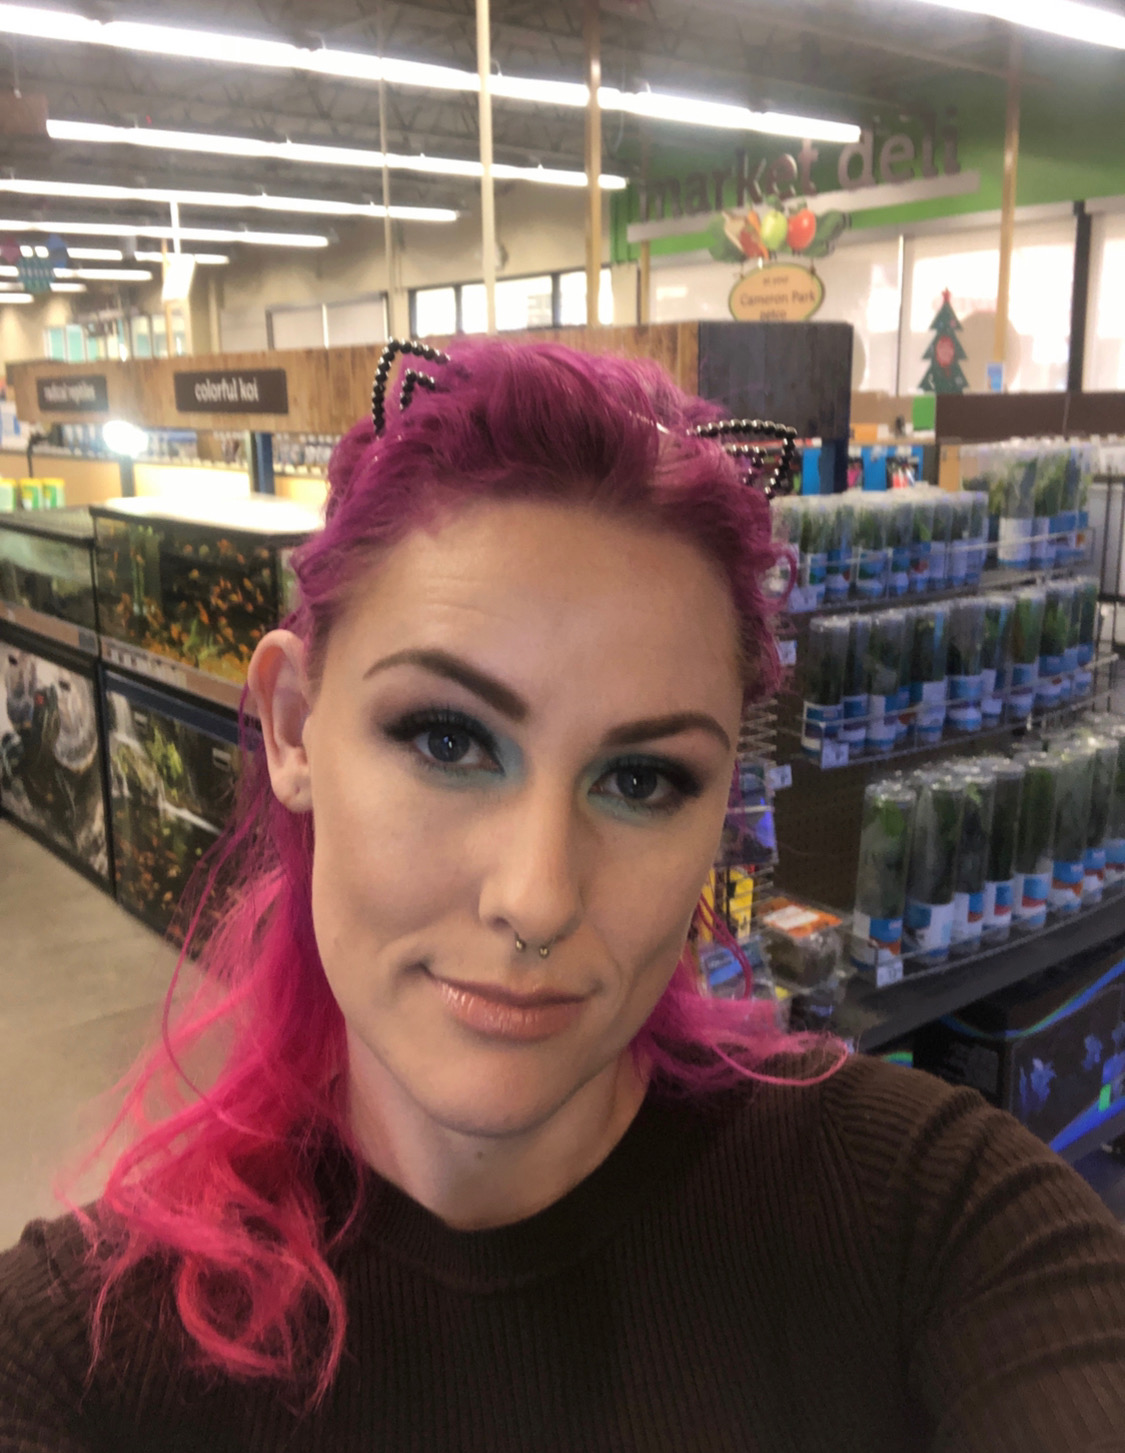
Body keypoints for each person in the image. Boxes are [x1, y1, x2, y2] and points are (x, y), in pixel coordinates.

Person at [1, 338, 1124, 1453]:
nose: (537, 899)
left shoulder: (932, 1217)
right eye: (447, 739)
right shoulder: (78, 1349)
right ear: (294, 727)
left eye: (641, 780)